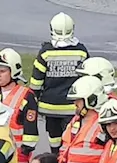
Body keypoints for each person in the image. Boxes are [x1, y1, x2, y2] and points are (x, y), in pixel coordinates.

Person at [29, 13, 89, 154]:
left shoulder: (46, 52)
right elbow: (88, 79)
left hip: (50, 107)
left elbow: (36, 82)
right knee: (71, 139)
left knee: (54, 139)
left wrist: (33, 100)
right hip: (73, 108)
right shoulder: (81, 51)